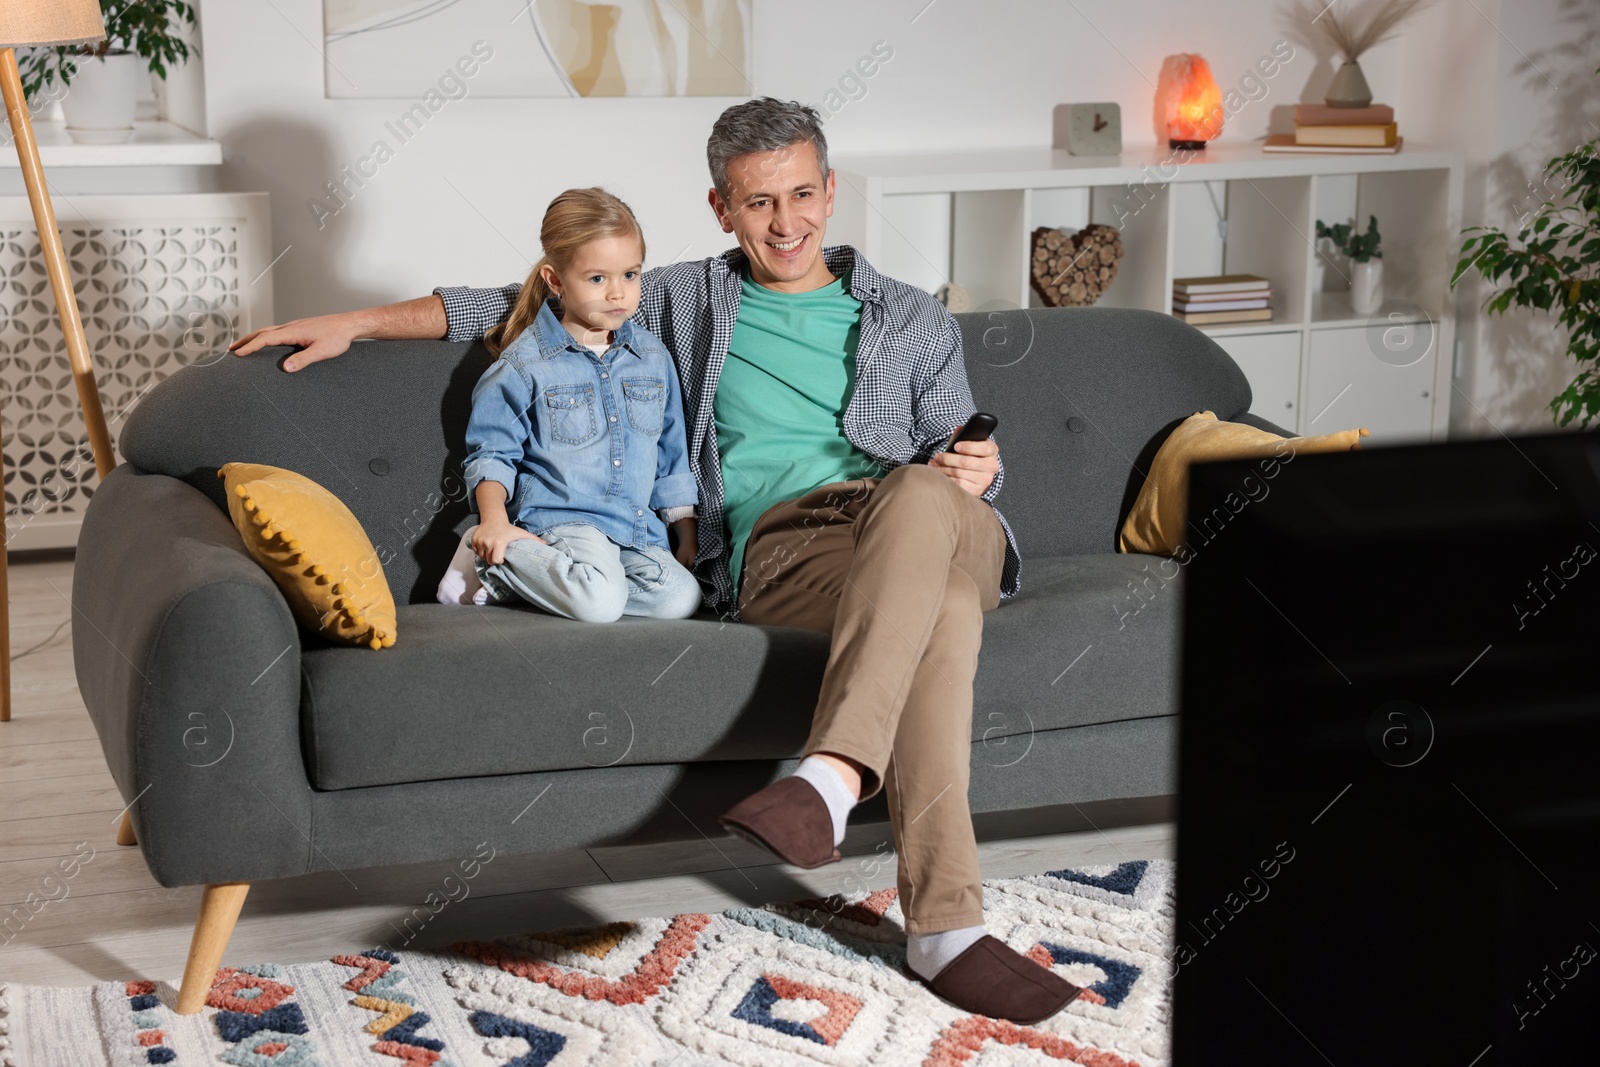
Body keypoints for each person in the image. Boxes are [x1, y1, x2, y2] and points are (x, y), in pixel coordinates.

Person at [231, 98, 1080, 1025]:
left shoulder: (914, 318)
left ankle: (831, 776)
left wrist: (976, 465)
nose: (786, 222)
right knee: (943, 613)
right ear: (721, 208)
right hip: (794, 551)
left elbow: (953, 457)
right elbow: (507, 302)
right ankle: (946, 930)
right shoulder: (680, 298)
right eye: (759, 203)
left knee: (921, 494)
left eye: (803, 194)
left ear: (833, 192)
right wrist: (357, 321)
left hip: (932, 518)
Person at [434, 187, 702, 623]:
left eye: (630, 275)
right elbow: (493, 454)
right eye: (598, 279)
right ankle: (489, 552)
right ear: (555, 281)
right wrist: (494, 519)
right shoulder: (525, 365)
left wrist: (684, 533)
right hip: (562, 524)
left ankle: (532, 582)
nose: (618, 293)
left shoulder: (654, 358)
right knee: (600, 603)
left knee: (679, 600)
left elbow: (671, 456)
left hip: (635, 530)